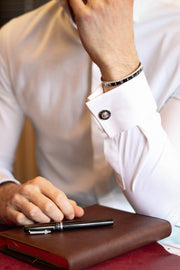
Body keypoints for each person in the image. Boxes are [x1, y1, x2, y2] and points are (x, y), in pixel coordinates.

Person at [0, 0, 180, 227]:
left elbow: (169, 207)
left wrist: (118, 62)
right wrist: (6, 193)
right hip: (61, 233)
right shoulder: (12, 39)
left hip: (163, 243)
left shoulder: (175, 27)